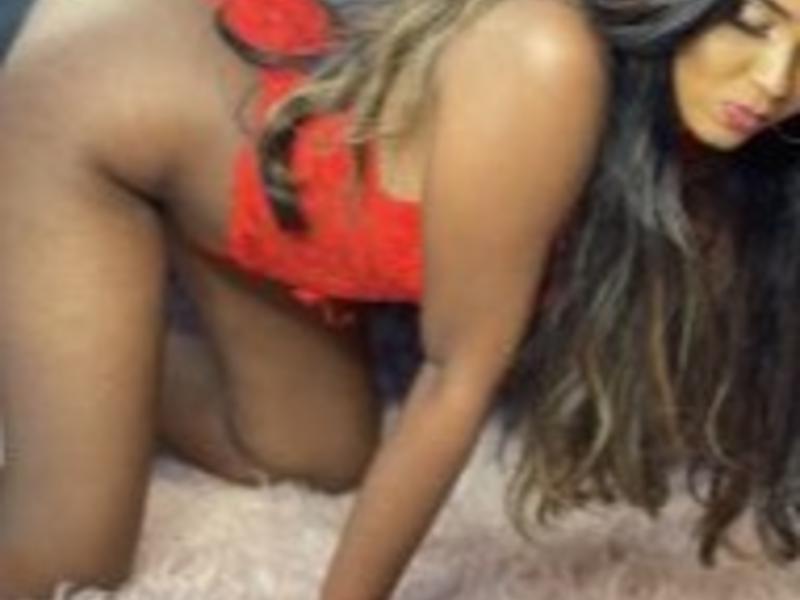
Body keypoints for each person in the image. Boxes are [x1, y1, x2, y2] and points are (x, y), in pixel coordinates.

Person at [3, 0, 800, 596]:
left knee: (311, 459)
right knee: (69, 557)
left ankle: (47, 350)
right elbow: (457, 373)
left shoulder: (708, 134)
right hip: (91, 117)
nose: (774, 83)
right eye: (754, 22)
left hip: (235, 178)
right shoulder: (547, 55)